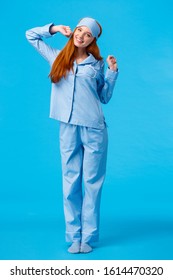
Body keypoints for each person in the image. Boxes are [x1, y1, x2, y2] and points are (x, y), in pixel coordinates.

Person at [26, 17, 118, 254]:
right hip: (67, 126)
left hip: (94, 128)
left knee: (92, 183)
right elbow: (31, 35)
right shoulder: (57, 57)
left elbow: (105, 97)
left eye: (88, 34)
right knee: (70, 182)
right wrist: (55, 29)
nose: (81, 36)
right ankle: (73, 235)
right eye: (79, 30)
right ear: (74, 31)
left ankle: (88, 236)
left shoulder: (96, 65)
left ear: (92, 40)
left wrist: (112, 73)